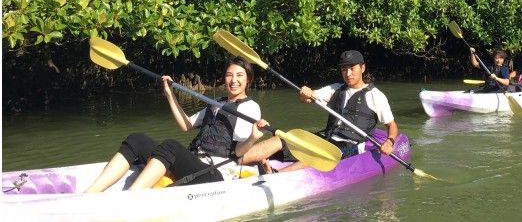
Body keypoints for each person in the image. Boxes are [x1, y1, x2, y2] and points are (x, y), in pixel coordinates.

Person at [86, 57, 267, 192]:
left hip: (217, 172)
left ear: (248, 80)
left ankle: (132, 198)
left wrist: (253, 137)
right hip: (196, 161)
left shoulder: (250, 107)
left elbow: (238, 152)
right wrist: (169, 94)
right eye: (229, 75)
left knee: (171, 146)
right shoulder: (216, 103)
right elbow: (186, 125)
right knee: (137, 140)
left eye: (239, 76)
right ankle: (91, 193)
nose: (233, 80)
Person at [243, 49, 398, 173]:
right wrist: (305, 94)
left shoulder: (376, 96)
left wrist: (389, 142)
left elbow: (391, 125)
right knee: (282, 138)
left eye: (352, 68)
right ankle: (237, 160)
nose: (348, 73)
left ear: (362, 68)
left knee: (318, 155)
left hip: (350, 144)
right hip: (326, 137)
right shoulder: (336, 89)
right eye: (344, 69)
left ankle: (277, 176)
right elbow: (309, 98)